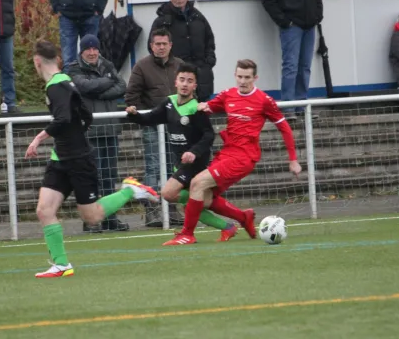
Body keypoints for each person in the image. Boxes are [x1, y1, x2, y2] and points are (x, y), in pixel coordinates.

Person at [25, 39, 159, 278]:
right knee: (44, 210)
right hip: (61, 157)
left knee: (92, 216)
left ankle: (129, 190)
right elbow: (84, 114)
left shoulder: (57, 86)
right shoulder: (66, 83)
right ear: (58, 60)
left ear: (37, 61)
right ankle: (61, 264)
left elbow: (64, 119)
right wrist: (76, 134)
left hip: (77, 159)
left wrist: (39, 138)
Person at [163, 59, 302, 246]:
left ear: (255, 78)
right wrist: (201, 107)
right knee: (204, 198)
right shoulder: (228, 95)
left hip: (244, 157)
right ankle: (243, 217)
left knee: (197, 183)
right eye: (239, 77)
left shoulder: (264, 100)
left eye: (247, 77)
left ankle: (187, 234)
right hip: (227, 152)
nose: (243, 81)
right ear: (235, 76)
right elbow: (208, 107)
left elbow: (285, 128)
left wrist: (293, 160)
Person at [126, 63, 239, 242]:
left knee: (168, 193)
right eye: (182, 80)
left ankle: (185, 229)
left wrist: (194, 152)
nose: (185, 84)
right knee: (193, 205)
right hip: (179, 162)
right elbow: (150, 118)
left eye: (190, 81)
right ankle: (228, 227)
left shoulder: (197, 109)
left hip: (196, 163)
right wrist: (133, 115)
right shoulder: (169, 103)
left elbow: (209, 135)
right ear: (176, 82)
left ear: (195, 86)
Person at [66, 34, 129, 233]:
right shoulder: (74, 68)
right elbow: (84, 87)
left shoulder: (107, 64)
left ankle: (110, 218)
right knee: (92, 176)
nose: (92, 52)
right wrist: (106, 82)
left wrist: (98, 92)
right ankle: (91, 220)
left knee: (110, 176)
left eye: (95, 49)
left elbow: (122, 86)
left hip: (110, 129)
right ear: (82, 51)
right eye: (88, 49)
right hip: (90, 131)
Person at [125, 28, 185, 227]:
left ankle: (172, 209)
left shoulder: (180, 66)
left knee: (173, 168)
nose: (161, 47)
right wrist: (149, 118)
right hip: (153, 127)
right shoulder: (141, 66)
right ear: (151, 46)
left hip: (177, 127)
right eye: (157, 44)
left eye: (164, 43)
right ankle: (152, 211)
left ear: (171, 45)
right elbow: (131, 96)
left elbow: (191, 92)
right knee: (153, 168)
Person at [261, 0, 322, 121]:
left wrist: (317, 16)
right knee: (291, 66)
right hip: (292, 27)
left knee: (305, 67)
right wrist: (284, 22)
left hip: (309, 26)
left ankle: (302, 106)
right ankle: (288, 107)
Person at [150, 0, 216, 101]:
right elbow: (153, 48)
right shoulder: (162, 21)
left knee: (200, 113)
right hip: (175, 76)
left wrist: (209, 62)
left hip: (201, 75)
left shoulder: (198, 17)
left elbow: (209, 41)